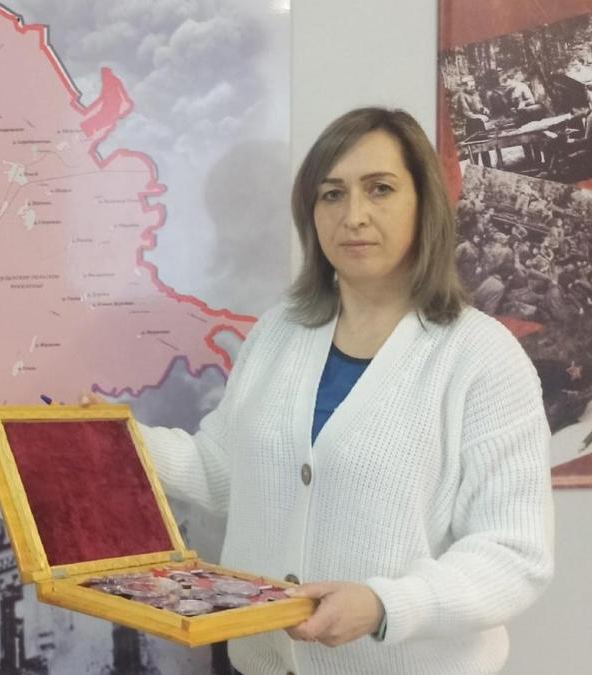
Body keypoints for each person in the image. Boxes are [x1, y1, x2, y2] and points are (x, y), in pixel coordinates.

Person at [129, 108, 553, 674]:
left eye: (380, 189)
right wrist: (110, 440)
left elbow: (513, 555)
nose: (353, 215)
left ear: (424, 204)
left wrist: (384, 605)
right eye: (332, 194)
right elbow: (221, 472)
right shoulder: (278, 333)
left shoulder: (481, 357)